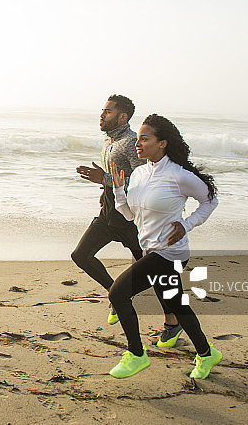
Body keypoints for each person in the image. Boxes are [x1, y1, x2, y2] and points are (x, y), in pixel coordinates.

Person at [107, 113, 221, 379]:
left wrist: (187, 224)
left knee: (118, 294)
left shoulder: (179, 175)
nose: (138, 143)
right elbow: (129, 215)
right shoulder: (138, 174)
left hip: (170, 253)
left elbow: (210, 201)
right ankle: (207, 353)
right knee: (178, 306)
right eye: (137, 139)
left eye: (144, 139)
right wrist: (119, 190)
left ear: (163, 143)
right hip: (150, 250)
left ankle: (136, 354)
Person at [73, 95, 181, 348]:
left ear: (123, 117)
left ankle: (172, 322)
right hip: (110, 215)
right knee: (81, 255)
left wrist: (105, 181)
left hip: (133, 220)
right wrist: (106, 189)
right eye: (102, 110)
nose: (102, 115)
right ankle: (116, 293)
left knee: (158, 274)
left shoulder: (132, 142)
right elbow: (118, 175)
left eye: (107, 112)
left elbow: (146, 180)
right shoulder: (109, 141)